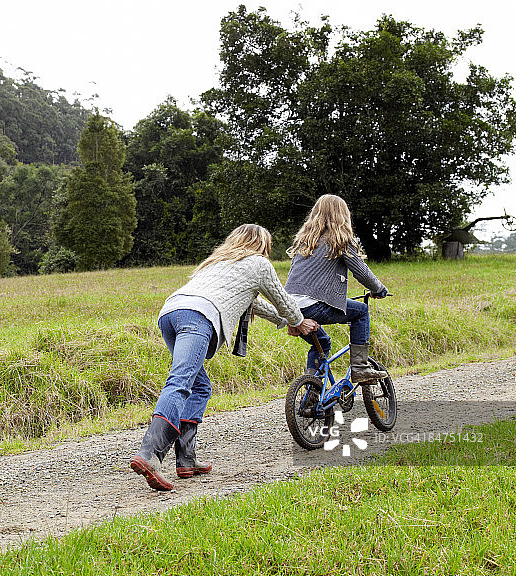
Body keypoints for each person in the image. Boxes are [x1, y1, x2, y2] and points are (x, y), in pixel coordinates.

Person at [129, 224, 318, 491]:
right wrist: (299, 321)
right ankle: (150, 454)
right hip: (198, 317)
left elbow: (255, 304)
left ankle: (186, 459)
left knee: (199, 386)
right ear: (262, 245)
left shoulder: (217, 262)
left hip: (171, 313)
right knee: (180, 382)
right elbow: (282, 300)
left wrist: (286, 321)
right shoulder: (258, 264)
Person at [284, 194, 388, 382]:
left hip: (291, 308)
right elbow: (362, 273)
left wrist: (291, 317)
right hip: (314, 305)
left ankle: (312, 388)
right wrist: (379, 289)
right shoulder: (340, 241)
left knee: (322, 343)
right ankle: (360, 368)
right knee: (361, 312)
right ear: (342, 216)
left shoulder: (304, 242)